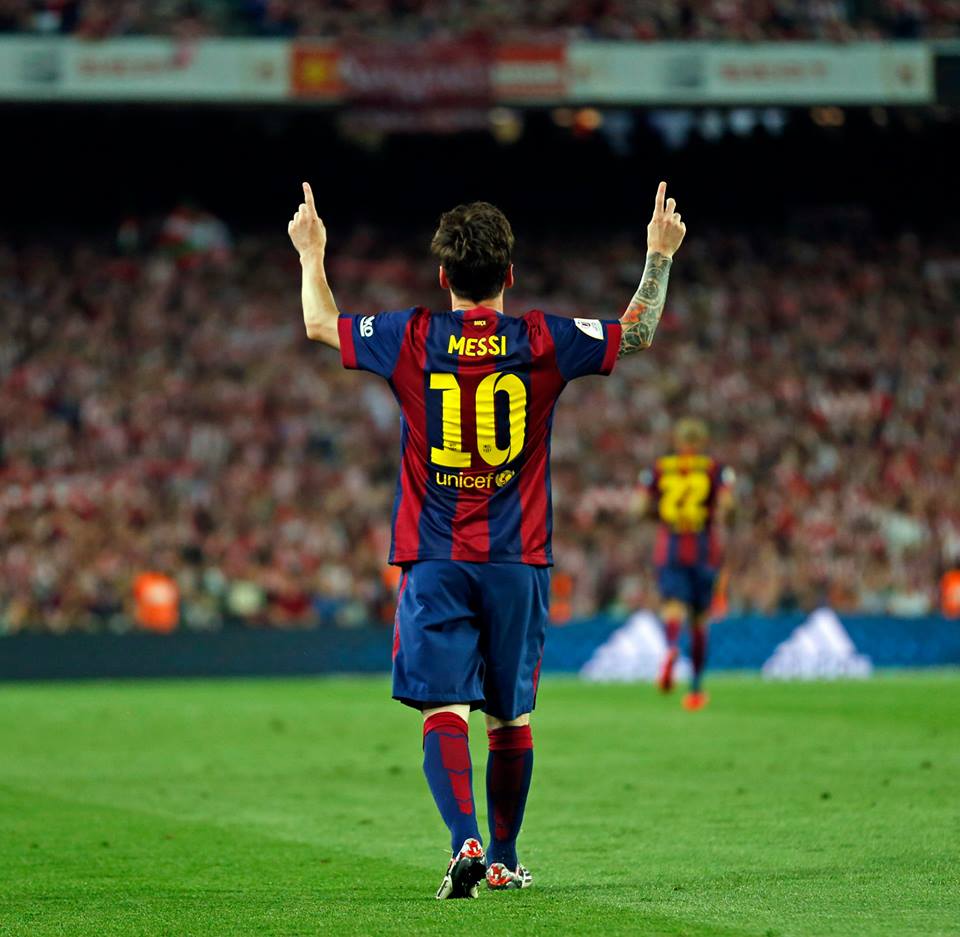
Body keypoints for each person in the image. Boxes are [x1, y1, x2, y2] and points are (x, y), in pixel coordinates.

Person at [287, 180, 686, 898]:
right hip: (516, 558)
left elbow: (320, 322)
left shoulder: (410, 336)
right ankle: (502, 857)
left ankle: (463, 840)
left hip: (435, 555)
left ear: (442, 275)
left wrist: (311, 251)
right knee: (510, 714)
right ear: (510, 273)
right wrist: (659, 255)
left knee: (444, 706)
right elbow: (639, 332)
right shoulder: (544, 339)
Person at [633, 418, 735, 710]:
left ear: (677, 441)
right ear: (702, 442)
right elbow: (727, 505)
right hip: (704, 548)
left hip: (671, 547)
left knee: (673, 606)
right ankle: (696, 690)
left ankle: (670, 647)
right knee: (700, 619)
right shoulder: (715, 469)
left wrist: (656, 514)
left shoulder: (659, 468)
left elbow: (638, 507)